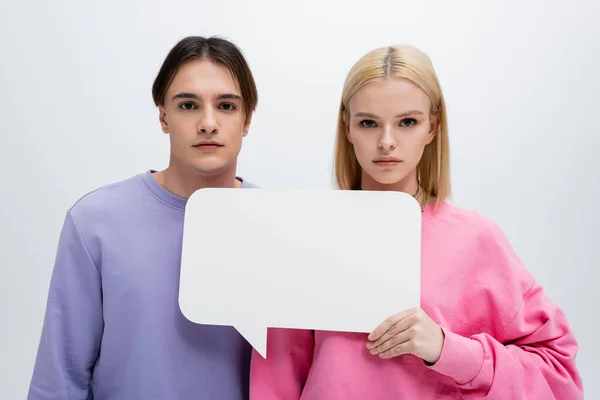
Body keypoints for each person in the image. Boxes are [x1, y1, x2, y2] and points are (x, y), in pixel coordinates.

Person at [248, 44, 584, 399]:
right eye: (368, 123)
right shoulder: (307, 236)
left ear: (432, 127)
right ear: (347, 127)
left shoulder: (476, 240)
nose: (387, 142)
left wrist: (445, 349)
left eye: (407, 122)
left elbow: (559, 377)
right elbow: (277, 377)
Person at [28, 36, 259, 399]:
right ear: (164, 116)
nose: (208, 123)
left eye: (227, 105)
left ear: (246, 120)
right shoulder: (95, 222)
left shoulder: (278, 226)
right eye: (188, 105)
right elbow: (61, 374)